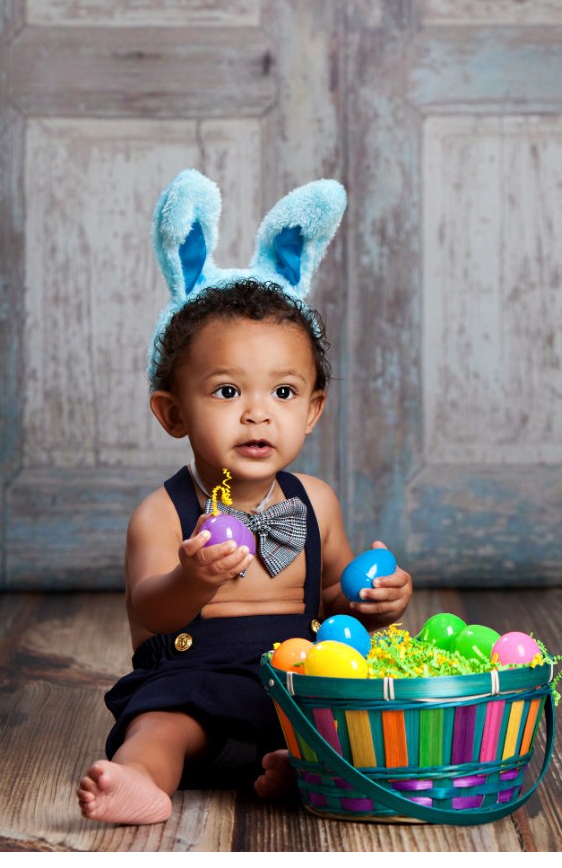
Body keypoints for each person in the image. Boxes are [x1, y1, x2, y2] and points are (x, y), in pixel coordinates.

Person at [76, 279, 413, 824]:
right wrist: (192, 578)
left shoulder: (316, 502)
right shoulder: (161, 514)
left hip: (296, 681)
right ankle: (140, 779)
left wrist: (375, 602)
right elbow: (150, 612)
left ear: (311, 409)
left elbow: (333, 604)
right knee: (159, 726)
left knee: (359, 712)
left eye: (283, 393)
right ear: (173, 413)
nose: (258, 414)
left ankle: (298, 766)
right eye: (228, 391)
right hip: (197, 682)